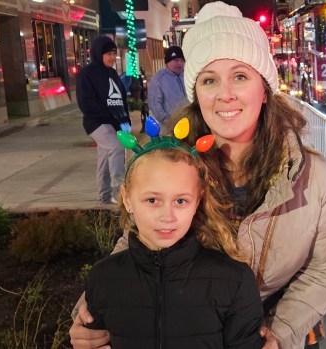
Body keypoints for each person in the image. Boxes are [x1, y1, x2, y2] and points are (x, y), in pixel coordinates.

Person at [70, 2, 326, 349]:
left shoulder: (312, 175)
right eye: (209, 80)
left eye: (240, 76)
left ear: (264, 90)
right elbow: (139, 241)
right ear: (196, 93)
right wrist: (92, 307)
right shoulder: (168, 160)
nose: (225, 94)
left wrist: (281, 333)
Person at [84, 123, 265, 348]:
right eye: (152, 200)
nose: (167, 216)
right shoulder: (103, 278)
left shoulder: (234, 281)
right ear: (128, 199)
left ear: (197, 201)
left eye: (180, 201)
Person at [76, 35, 131, 204]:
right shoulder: (87, 74)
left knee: (105, 157)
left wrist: (125, 121)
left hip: (114, 123)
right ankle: (118, 191)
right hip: (96, 122)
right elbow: (85, 103)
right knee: (116, 147)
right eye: (109, 54)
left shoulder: (113, 73)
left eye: (114, 54)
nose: (112, 58)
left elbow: (121, 99)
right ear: (99, 54)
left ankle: (105, 195)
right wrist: (106, 115)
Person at [147, 46, 189, 132]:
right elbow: (154, 104)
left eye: (182, 60)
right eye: (176, 60)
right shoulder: (158, 79)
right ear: (168, 62)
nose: (180, 63)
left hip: (189, 123)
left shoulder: (187, 75)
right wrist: (169, 122)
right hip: (169, 127)